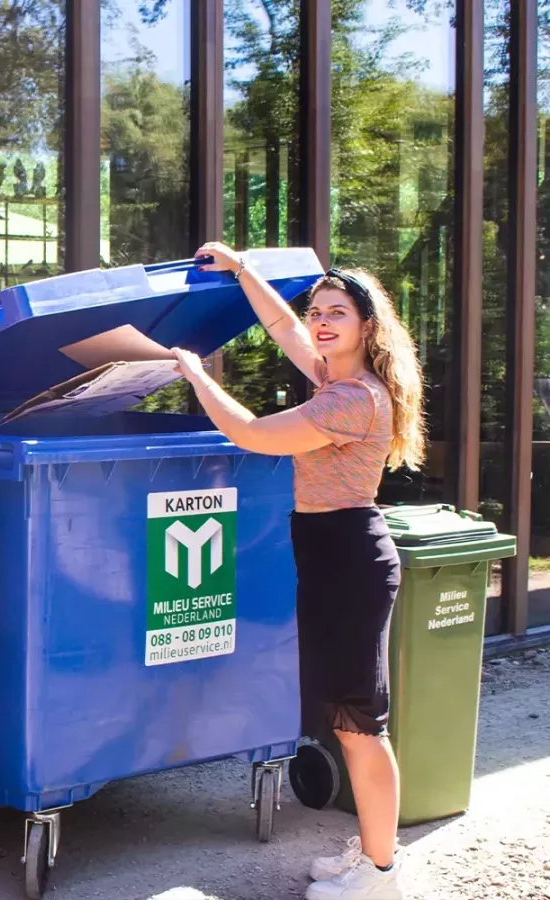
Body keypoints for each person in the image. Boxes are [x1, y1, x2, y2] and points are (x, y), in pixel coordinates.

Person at [172, 243, 425, 900]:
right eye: (318, 311)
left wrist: (196, 375)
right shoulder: (335, 380)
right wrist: (242, 270)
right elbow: (283, 327)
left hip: (348, 562)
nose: (320, 321)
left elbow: (254, 433)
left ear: (366, 326)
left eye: (337, 312)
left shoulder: (353, 400)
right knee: (348, 721)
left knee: (361, 727)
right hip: (333, 557)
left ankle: (381, 875)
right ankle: (374, 855)